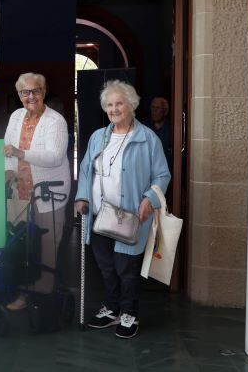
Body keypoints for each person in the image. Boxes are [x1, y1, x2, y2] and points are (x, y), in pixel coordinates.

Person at [74, 80, 170, 339]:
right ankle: (111, 308)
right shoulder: (98, 137)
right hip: (101, 215)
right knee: (105, 266)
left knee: (126, 268)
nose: (114, 109)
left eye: (119, 103)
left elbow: (162, 175)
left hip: (130, 216)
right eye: (109, 104)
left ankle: (129, 312)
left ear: (132, 105)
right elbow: (85, 170)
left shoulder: (147, 138)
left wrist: (150, 198)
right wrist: (82, 197)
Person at [3, 72, 71, 310]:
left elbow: (54, 157)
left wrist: (22, 154)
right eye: (25, 92)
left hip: (49, 193)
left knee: (47, 245)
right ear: (19, 95)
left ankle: (44, 296)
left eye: (36, 91)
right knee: (22, 245)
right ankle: (23, 293)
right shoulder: (16, 116)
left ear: (44, 92)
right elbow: (7, 149)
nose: (30, 96)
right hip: (20, 190)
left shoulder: (55, 121)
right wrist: (9, 171)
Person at [142, 97, 172, 172]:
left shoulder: (172, 128)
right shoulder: (143, 127)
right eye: (153, 107)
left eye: (158, 108)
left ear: (165, 111)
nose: (154, 111)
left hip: (165, 170)